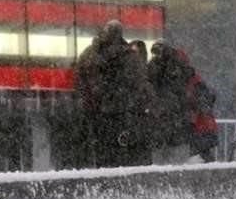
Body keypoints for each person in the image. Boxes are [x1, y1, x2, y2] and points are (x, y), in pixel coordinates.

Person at [75, 21, 157, 168]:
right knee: (125, 153)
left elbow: (81, 79)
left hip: (97, 111)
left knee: (103, 152)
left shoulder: (90, 54)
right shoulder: (129, 55)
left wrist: (88, 99)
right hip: (122, 112)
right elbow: (139, 85)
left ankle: (104, 179)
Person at [147, 41, 193, 165]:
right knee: (176, 159)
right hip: (175, 120)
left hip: (163, 118)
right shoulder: (178, 66)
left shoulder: (154, 66)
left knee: (160, 158)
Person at [184, 62, 218, 162]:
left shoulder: (195, 86)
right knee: (203, 153)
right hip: (203, 126)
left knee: (200, 153)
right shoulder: (198, 84)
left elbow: (201, 106)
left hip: (200, 127)